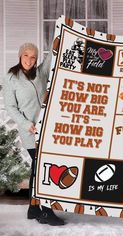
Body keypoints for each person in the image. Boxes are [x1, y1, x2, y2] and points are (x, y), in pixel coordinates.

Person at [3, 43, 64, 226]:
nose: (29, 60)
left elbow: (51, 57)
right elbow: (10, 107)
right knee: (42, 168)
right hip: (30, 131)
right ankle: (45, 211)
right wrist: (26, 124)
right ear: (20, 56)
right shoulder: (11, 77)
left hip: (46, 128)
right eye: (26, 56)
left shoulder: (40, 73)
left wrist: (61, 35)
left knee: (38, 170)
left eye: (33, 57)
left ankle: (33, 209)